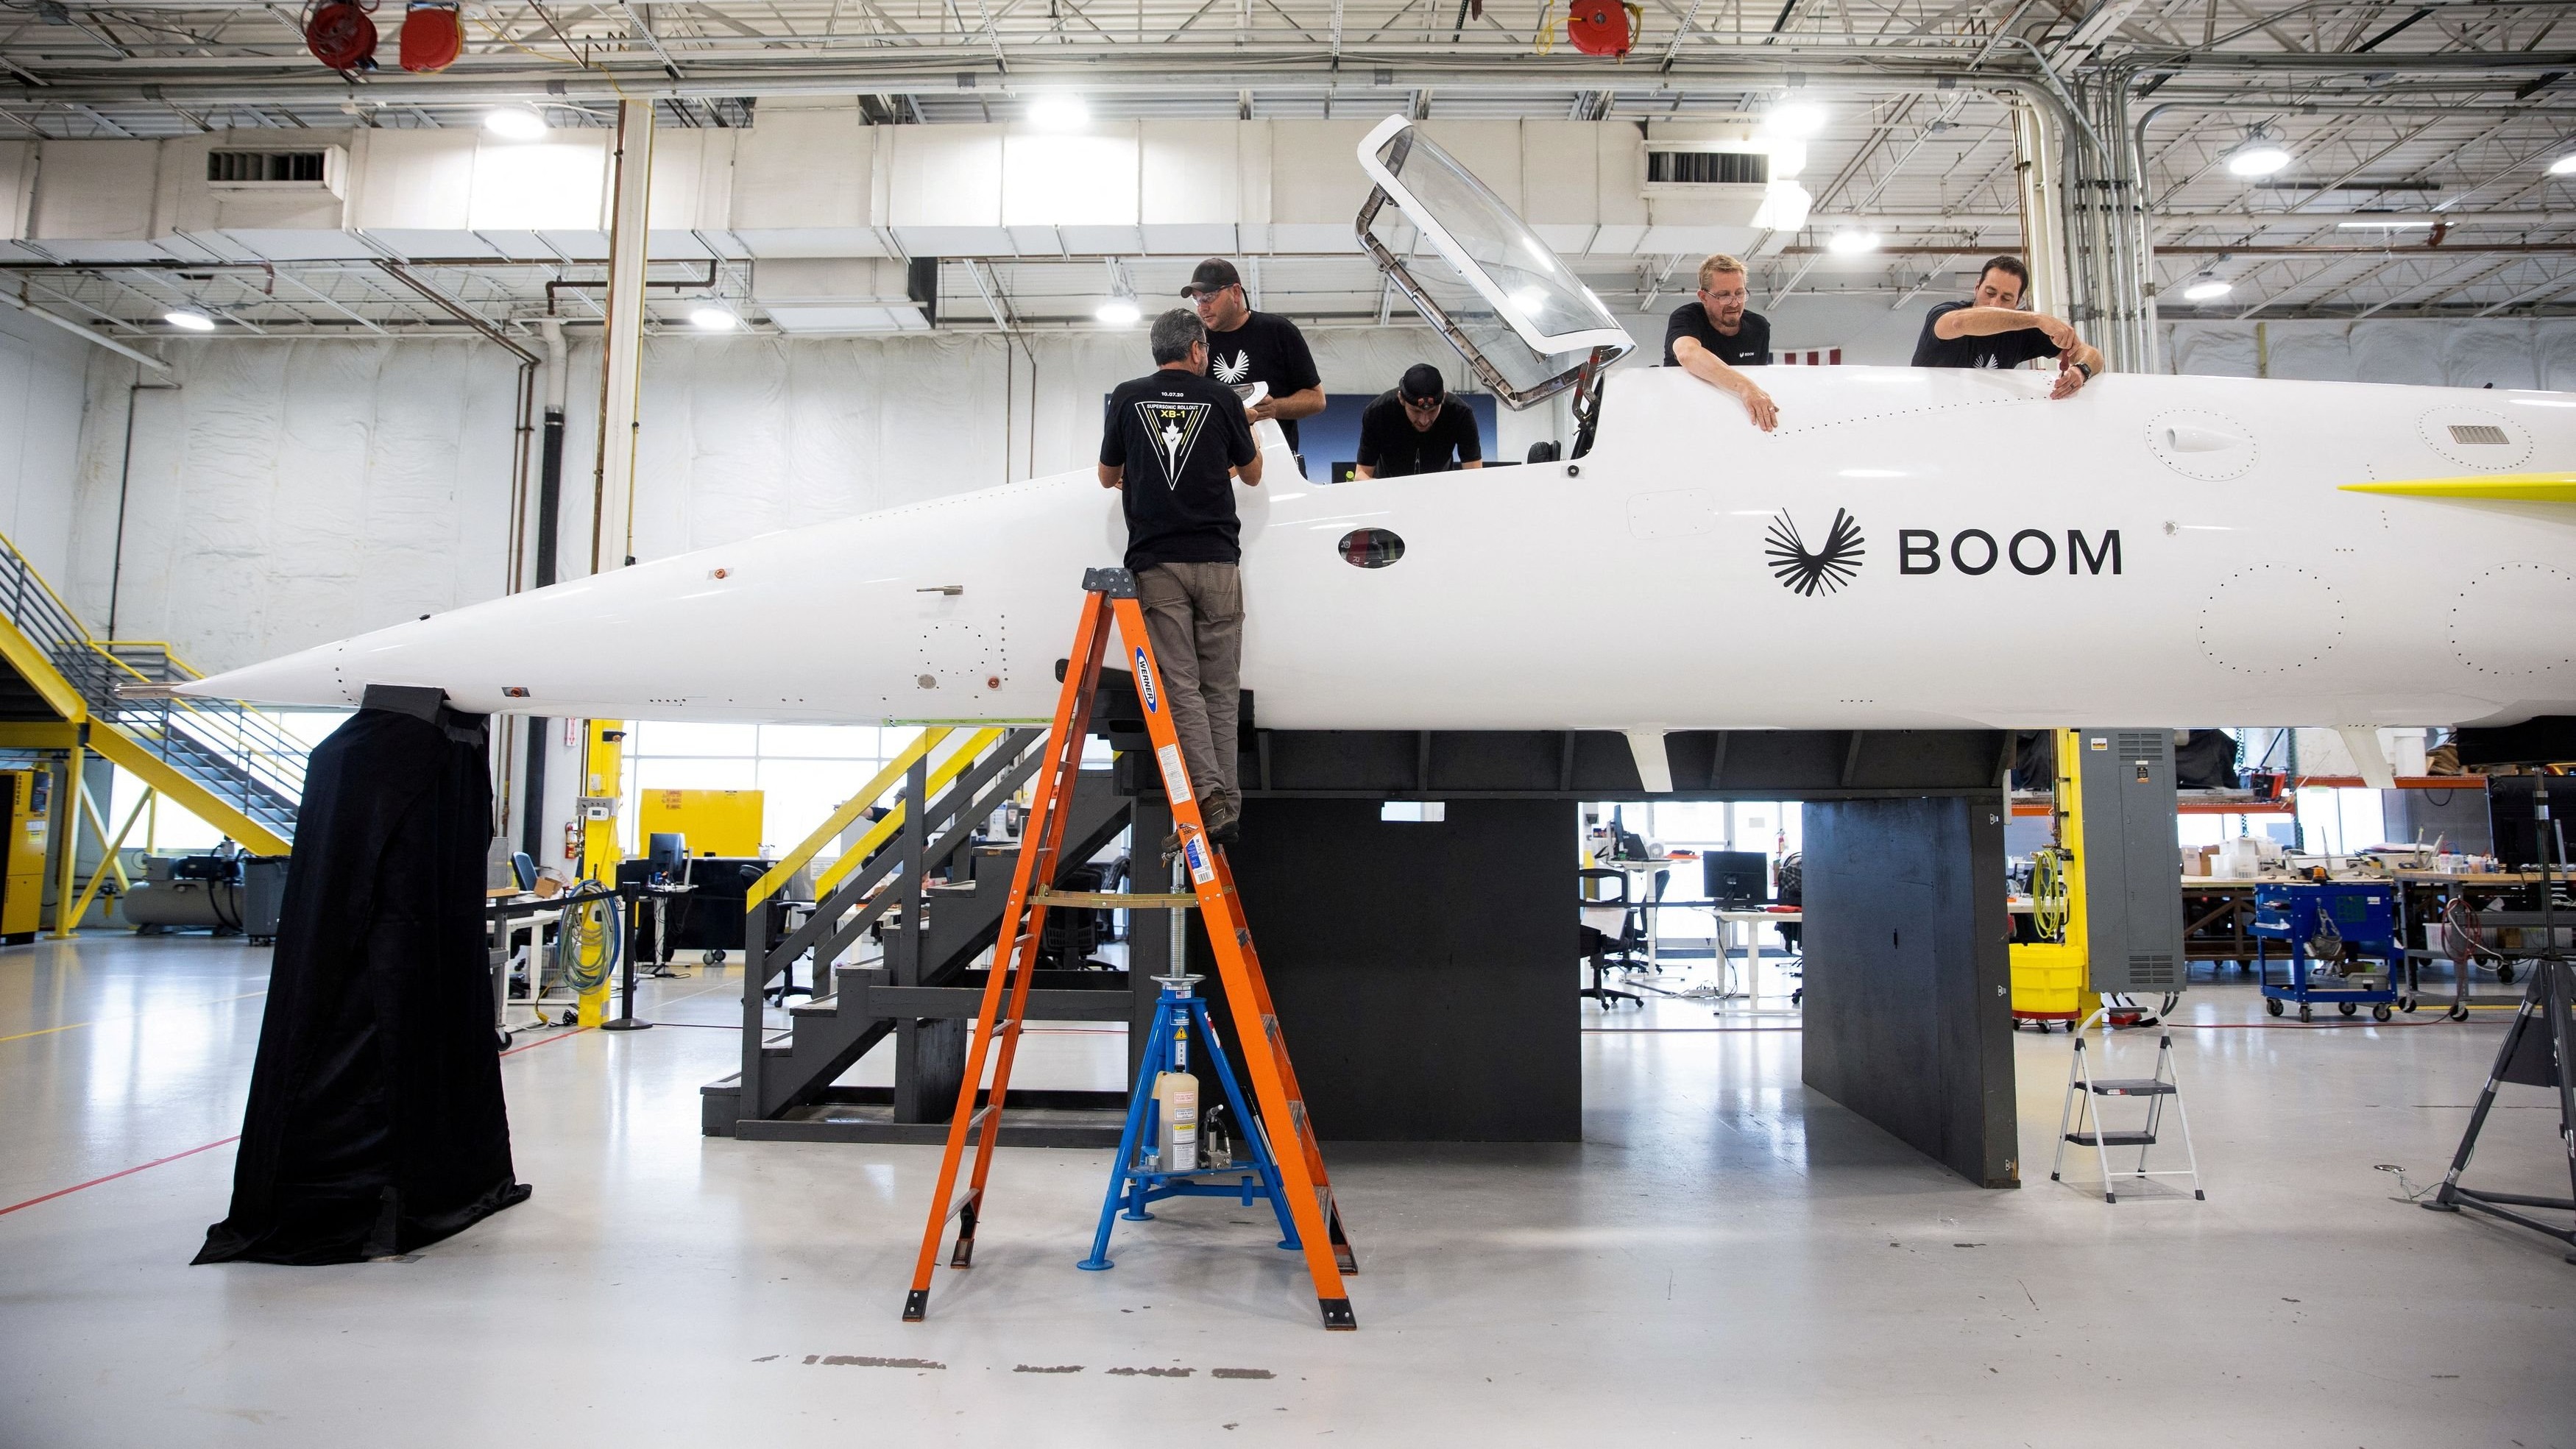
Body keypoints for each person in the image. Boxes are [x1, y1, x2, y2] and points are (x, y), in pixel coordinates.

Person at [1098, 308, 1263, 846]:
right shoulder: (1222, 400)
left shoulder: (1126, 396)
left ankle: (1211, 799)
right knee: (1220, 686)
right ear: (1196, 351)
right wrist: (1224, 462)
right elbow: (1254, 473)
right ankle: (1225, 807)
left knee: (1181, 685)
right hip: (1218, 559)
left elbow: (1106, 476)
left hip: (1158, 562)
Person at [1181, 258, 1324, 453]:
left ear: (1236, 292)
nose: (1201, 307)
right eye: (1197, 300)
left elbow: (1316, 399)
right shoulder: (1195, 343)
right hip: (1216, 466)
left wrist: (1275, 408)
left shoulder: (1279, 332)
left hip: (1276, 463)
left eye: (1208, 297)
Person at [1910, 255, 2104, 399]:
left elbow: (2090, 353)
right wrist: (2037, 319)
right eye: (1990, 292)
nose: (1994, 303)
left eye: (2006, 298)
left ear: (2018, 301)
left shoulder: (2022, 333)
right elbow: (1958, 323)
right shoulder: (1946, 314)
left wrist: (2081, 371)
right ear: (1977, 287)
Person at [1663, 253, 1779, 431]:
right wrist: (1744, 386)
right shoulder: (1686, 318)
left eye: (1740, 293)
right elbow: (1688, 354)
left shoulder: (1759, 327)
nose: (1734, 303)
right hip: (1686, 416)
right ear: (1704, 297)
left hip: (1737, 419)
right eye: (1724, 296)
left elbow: (1759, 374)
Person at [1354, 364, 1485, 479]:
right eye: (1416, 412)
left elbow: (1474, 476)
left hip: (1441, 489)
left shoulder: (1460, 414)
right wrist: (1387, 493)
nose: (1424, 420)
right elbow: (1361, 475)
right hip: (1389, 487)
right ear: (1401, 399)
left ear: (1444, 397)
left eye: (1433, 411)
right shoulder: (1378, 413)